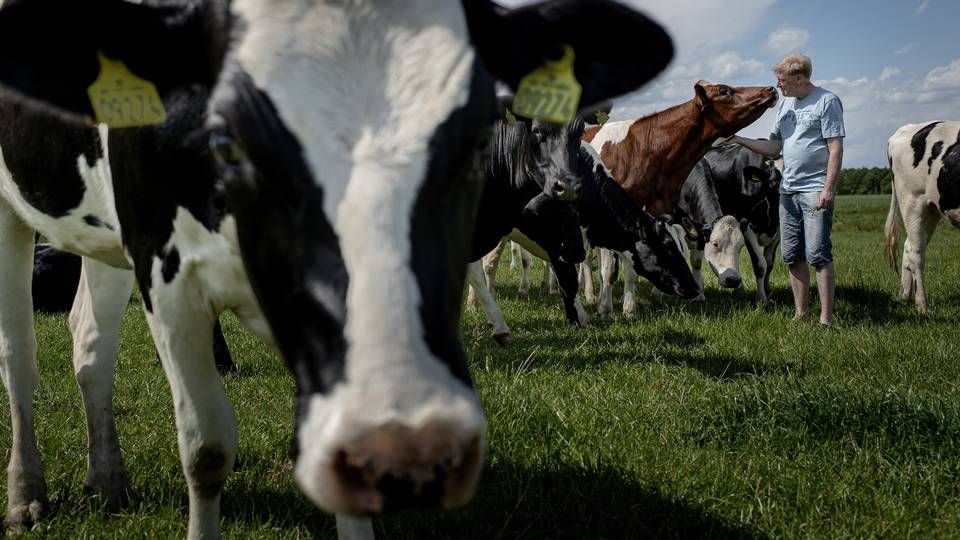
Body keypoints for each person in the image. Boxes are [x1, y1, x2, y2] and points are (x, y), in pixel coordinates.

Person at [725, 53, 844, 328]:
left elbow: (835, 148)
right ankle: (801, 315)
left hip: (815, 189)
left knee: (819, 254)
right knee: (791, 255)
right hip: (788, 190)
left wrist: (829, 188)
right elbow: (774, 147)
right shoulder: (786, 106)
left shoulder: (827, 101)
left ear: (799, 77)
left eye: (782, 80)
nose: (778, 86)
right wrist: (738, 139)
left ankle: (826, 320)